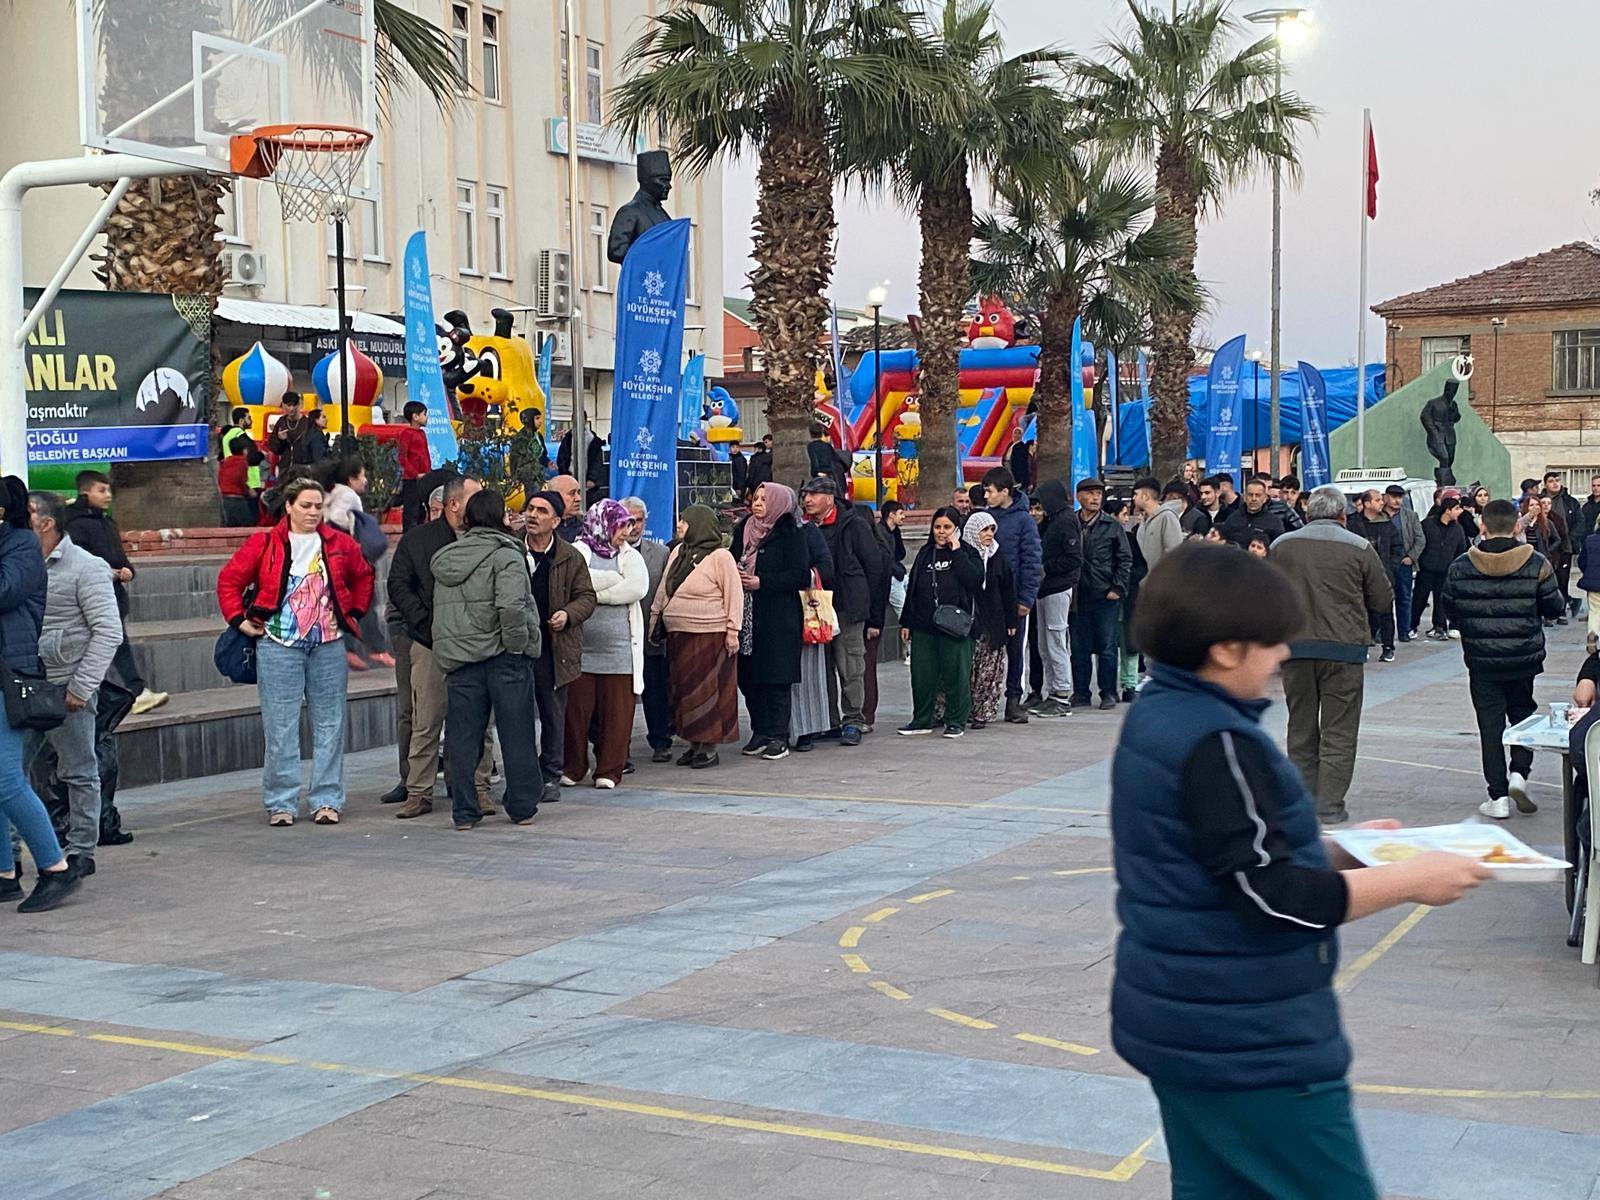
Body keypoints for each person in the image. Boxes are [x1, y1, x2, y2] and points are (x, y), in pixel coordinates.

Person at [1113, 541, 1489, 1200]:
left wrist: (1340, 850)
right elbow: (1272, 896)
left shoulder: (1162, 713)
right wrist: (1412, 880)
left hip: (1185, 1023)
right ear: (1226, 650)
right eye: (1273, 641)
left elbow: (1219, 854)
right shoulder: (1220, 743)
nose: (1284, 654)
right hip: (1248, 1041)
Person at [218, 478, 374, 826]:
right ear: (288, 506)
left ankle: (327, 800)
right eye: (305, 505)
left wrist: (353, 612)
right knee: (280, 727)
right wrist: (239, 620)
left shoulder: (340, 543)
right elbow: (230, 580)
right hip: (278, 646)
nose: (313, 512)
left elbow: (364, 575)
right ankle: (281, 803)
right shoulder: (264, 543)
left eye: (318, 506)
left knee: (331, 724)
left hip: (329, 645)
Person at [1269, 485, 1394, 826]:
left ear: (1308, 512)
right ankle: (1329, 806)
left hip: (1295, 648)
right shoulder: (1359, 547)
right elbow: (1383, 599)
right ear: (1342, 515)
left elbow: (1265, 592)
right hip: (1344, 649)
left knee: (1301, 728)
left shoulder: (1281, 546)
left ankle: (1303, 802)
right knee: (1339, 730)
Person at [1440, 498, 1565, 820]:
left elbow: (1448, 609)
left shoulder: (1461, 566)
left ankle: (1497, 796)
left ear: (1482, 525)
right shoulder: (1536, 563)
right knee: (1522, 716)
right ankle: (1519, 773)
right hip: (1523, 657)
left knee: (1490, 726)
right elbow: (1555, 607)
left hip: (1481, 659)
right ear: (1516, 525)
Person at [428, 489, 542, 829]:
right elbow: (511, 606)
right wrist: (517, 645)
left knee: (463, 738)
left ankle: (464, 811)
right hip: (503, 657)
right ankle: (522, 806)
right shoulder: (506, 555)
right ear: (500, 518)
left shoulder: (447, 558)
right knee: (516, 733)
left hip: (462, 660)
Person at [386, 475, 497, 819]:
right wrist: (425, 623)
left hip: (477, 643)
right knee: (426, 719)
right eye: (474, 497)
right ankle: (419, 791)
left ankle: (479, 787)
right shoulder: (418, 539)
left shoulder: (487, 538)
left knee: (480, 721)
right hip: (429, 642)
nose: (480, 503)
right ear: (453, 504)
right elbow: (398, 584)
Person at [24, 491, 121, 879]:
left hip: (67, 685)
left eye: (26, 515)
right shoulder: (19, 564)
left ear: (46, 523)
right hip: (23, 685)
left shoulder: (86, 567)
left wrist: (81, 687)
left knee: (78, 770)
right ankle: (10, 854)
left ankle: (82, 849)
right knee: (11, 773)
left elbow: (108, 632)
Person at [0, 478, 79, 913]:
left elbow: (5, 591)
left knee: (6, 779)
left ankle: (55, 868)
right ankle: (4, 873)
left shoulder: (21, 546)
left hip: (9, 677)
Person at [61, 470, 167, 717]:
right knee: (112, 643)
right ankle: (134, 692)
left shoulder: (107, 522)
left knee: (115, 644)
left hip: (113, 595)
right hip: (90, 597)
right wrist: (107, 573)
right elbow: (78, 561)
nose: (107, 495)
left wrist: (128, 571)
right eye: (101, 490)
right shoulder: (75, 525)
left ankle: (129, 694)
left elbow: (119, 556)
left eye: (108, 490)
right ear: (85, 492)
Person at [650, 504, 742, 768]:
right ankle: (693, 743)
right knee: (683, 691)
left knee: (707, 692)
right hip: (679, 636)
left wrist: (733, 631)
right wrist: (655, 620)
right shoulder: (678, 552)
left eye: (685, 521)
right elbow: (664, 589)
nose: (679, 525)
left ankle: (708, 747)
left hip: (710, 635)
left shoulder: (720, 557)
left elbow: (734, 594)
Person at [563, 500, 647, 788]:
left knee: (617, 716)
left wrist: (595, 595)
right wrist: (613, 579)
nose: (626, 532)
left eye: (629, 526)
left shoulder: (630, 556)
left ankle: (609, 770)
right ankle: (574, 767)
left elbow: (636, 588)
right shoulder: (578, 551)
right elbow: (575, 581)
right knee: (575, 714)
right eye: (621, 526)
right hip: (581, 652)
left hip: (620, 653)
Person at [799, 475, 888, 746]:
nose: (807, 500)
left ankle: (854, 719)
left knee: (850, 665)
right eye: (805, 495)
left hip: (848, 607)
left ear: (829, 498)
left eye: (813, 494)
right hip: (816, 606)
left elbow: (875, 566)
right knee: (822, 668)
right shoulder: (804, 526)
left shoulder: (853, 525)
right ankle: (829, 721)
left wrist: (868, 606)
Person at [521, 490, 597, 803]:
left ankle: (551, 774)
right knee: (517, 714)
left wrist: (568, 614)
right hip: (517, 646)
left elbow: (587, 597)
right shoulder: (512, 550)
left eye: (542, 511)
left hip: (554, 648)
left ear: (556, 521)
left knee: (553, 715)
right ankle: (523, 774)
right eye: (530, 508)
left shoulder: (569, 556)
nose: (532, 515)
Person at [733, 483, 809, 759]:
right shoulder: (744, 529)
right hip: (746, 614)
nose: (757, 503)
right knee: (749, 677)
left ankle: (778, 736)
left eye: (765, 499)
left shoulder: (791, 533)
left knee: (776, 678)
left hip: (777, 617)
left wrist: (761, 582)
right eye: (756, 497)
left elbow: (800, 575)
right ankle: (760, 731)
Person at [899, 507, 984, 738]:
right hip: (924, 625)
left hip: (956, 627)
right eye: (937, 527)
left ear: (956, 529)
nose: (942, 532)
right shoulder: (925, 553)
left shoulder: (967, 552)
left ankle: (956, 721)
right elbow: (913, 588)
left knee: (956, 675)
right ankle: (922, 719)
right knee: (922, 676)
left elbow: (974, 580)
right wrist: (906, 622)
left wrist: (957, 552)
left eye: (947, 527)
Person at [320, 455, 394, 672]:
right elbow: (337, 518)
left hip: (333, 557)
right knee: (365, 600)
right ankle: (375, 649)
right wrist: (354, 527)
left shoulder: (331, 493)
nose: (365, 480)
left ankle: (351, 649)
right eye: (362, 476)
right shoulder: (348, 495)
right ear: (351, 479)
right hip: (348, 557)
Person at [981, 467, 1042, 725]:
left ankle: (1014, 700)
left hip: (1014, 597)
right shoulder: (984, 517)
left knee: (1016, 651)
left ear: (1005, 491)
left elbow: (1032, 561)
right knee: (985, 651)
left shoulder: (1023, 521)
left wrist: (1026, 599)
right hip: (987, 598)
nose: (986, 496)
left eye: (990, 491)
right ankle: (982, 700)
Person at [1069, 478, 1131, 711]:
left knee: (1107, 647)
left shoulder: (1111, 526)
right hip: (1077, 595)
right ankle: (1081, 692)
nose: (1095, 498)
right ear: (1079, 497)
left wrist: (1118, 588)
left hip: (1105, 594)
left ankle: (1108, 692)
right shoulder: (1070, 523)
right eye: (1090, 493)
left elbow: (1125, 559)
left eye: (1098, 494)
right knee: (1079, 648)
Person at [621, 497, 674, 764]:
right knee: (620, 698)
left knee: (656, 692)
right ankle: (620, 746)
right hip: (620, 638)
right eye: (628, 520)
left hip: (650, 637)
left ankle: (661, 741)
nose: (634, 527)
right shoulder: (608, 551)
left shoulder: (661, 553)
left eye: (639, 520)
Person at [1026, 480, 1080, 717]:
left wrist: (1046, 568)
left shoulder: (1066, 521)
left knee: (1056, 640)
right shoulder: (1051, 521)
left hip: (1058, 587)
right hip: (1044, 589)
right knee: (1044, 644)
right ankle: (1052, 692)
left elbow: (1074, 558)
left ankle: (1062, 694)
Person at [958, 511, 1015, 729]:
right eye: (984, 530)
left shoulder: (998, 557)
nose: (989, 534)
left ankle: (982, 712)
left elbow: (1008, 590)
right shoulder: (963, 555)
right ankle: (963, 710)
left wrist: (1011, 621)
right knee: (967, 670)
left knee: (988, 671)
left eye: (992, 529)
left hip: (993, 623)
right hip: (968, 623)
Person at [866, 500, 909, 728]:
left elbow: (899, 554)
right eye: (900, 513)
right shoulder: (879, 534)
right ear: (891, 514)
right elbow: (884, 564)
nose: (904, 517)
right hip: (888, 579)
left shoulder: (892, 533)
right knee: (902, 607)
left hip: (894, 576)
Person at [1348, 488, 1398, 663]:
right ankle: (1362, 646)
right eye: (1377, 500)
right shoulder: (1353, 523)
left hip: (1383, 575)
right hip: (1358, 575)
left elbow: (1397, 547)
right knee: (1360, 613)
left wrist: (1392, 566)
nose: (1381, 502)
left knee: (1385, 612)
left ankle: (1388, 647)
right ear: (1367, 503)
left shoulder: (1387, 523)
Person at [1413, 496, 1468, 640]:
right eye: (1456, 508)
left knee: (1441, 600)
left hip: (1445, 570)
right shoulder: (1428, 524)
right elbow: (1419, 542)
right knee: (1419, 598)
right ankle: (1412, 625)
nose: (1460, 511)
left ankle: (1439, 626)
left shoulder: (1458, 529)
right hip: (1426, 569)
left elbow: (1461, 549)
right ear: (1447, 510)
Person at [1385, 485, 1424, 643]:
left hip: (1403, 563)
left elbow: (1420, 539)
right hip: (1384, 563)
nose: (1397, 500)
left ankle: (1404, 631)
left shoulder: (1410, 516)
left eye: (1400, 497)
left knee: (1404, 598)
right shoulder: (1379, 515)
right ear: (1386, 497)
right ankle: (1382, 632)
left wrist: (1411, 557)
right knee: (1383, 599)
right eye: (1394, 497)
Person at [1544, 471, 1584, 617]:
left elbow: (1580, 521)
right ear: (1545, 484)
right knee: (1548, 581)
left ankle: (1562, 610)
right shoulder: (1541, 500)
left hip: (1565, 548)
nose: (1555, 483)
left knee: (1562, 580)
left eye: (1557, 480)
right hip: (1546, 548)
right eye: (1551, 481)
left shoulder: (1570, 501)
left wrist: (1571, 538)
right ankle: (1552, 610)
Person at [1218, 477, 1288, 548]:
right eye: (1250, 495)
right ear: (1245, 497)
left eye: (1258, 495)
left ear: (1265, 498)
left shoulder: (1274, 522)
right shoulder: (1232, 518)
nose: (1254, 499)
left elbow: (1279, 547)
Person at [394, 400, 432, 529]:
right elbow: (402, 457)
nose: (426, 417)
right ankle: (409, 535)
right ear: (415, 416)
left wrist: (428, 472)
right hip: (412, 479)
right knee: (411, 511)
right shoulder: (406, 434)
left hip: (424, 478)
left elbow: (425, 455)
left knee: (422, 511)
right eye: (424, 414)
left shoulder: (422, 433)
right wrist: (415, 474)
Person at [1134, 477, 1184, 572]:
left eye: (1136, 494)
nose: (1133, 498)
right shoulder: (1143, 520)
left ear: (1146, 496)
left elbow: (1174, 554)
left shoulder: (1167, 517)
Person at [558, 427, 608, 505]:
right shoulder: (567, 439)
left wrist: (592, 478)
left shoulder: (593, 440)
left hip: (588, 484)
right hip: (571, 477)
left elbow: (597, 462)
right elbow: (562, 459)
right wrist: (565, 475)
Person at [218, 437, 258, 527]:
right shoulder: (242, 462)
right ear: (244, 450)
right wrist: (249, 491)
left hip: (224, 498)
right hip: (237, 499)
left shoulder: (226, 462)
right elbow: (242, 480)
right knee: (248, 523)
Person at [806, 425, 851, 497]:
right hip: (836, 474)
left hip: (824, 474)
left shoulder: (811, 446)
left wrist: (815, 473)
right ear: (822, 433)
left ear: (810, 434)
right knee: (836, 496)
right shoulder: (827, 445)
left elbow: (814, 461)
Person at [548, 474, 584, 542]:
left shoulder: (586, 528)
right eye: (572, 493)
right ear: (554, 497)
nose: (579, 498)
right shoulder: (543, 528)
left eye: (578, 493)